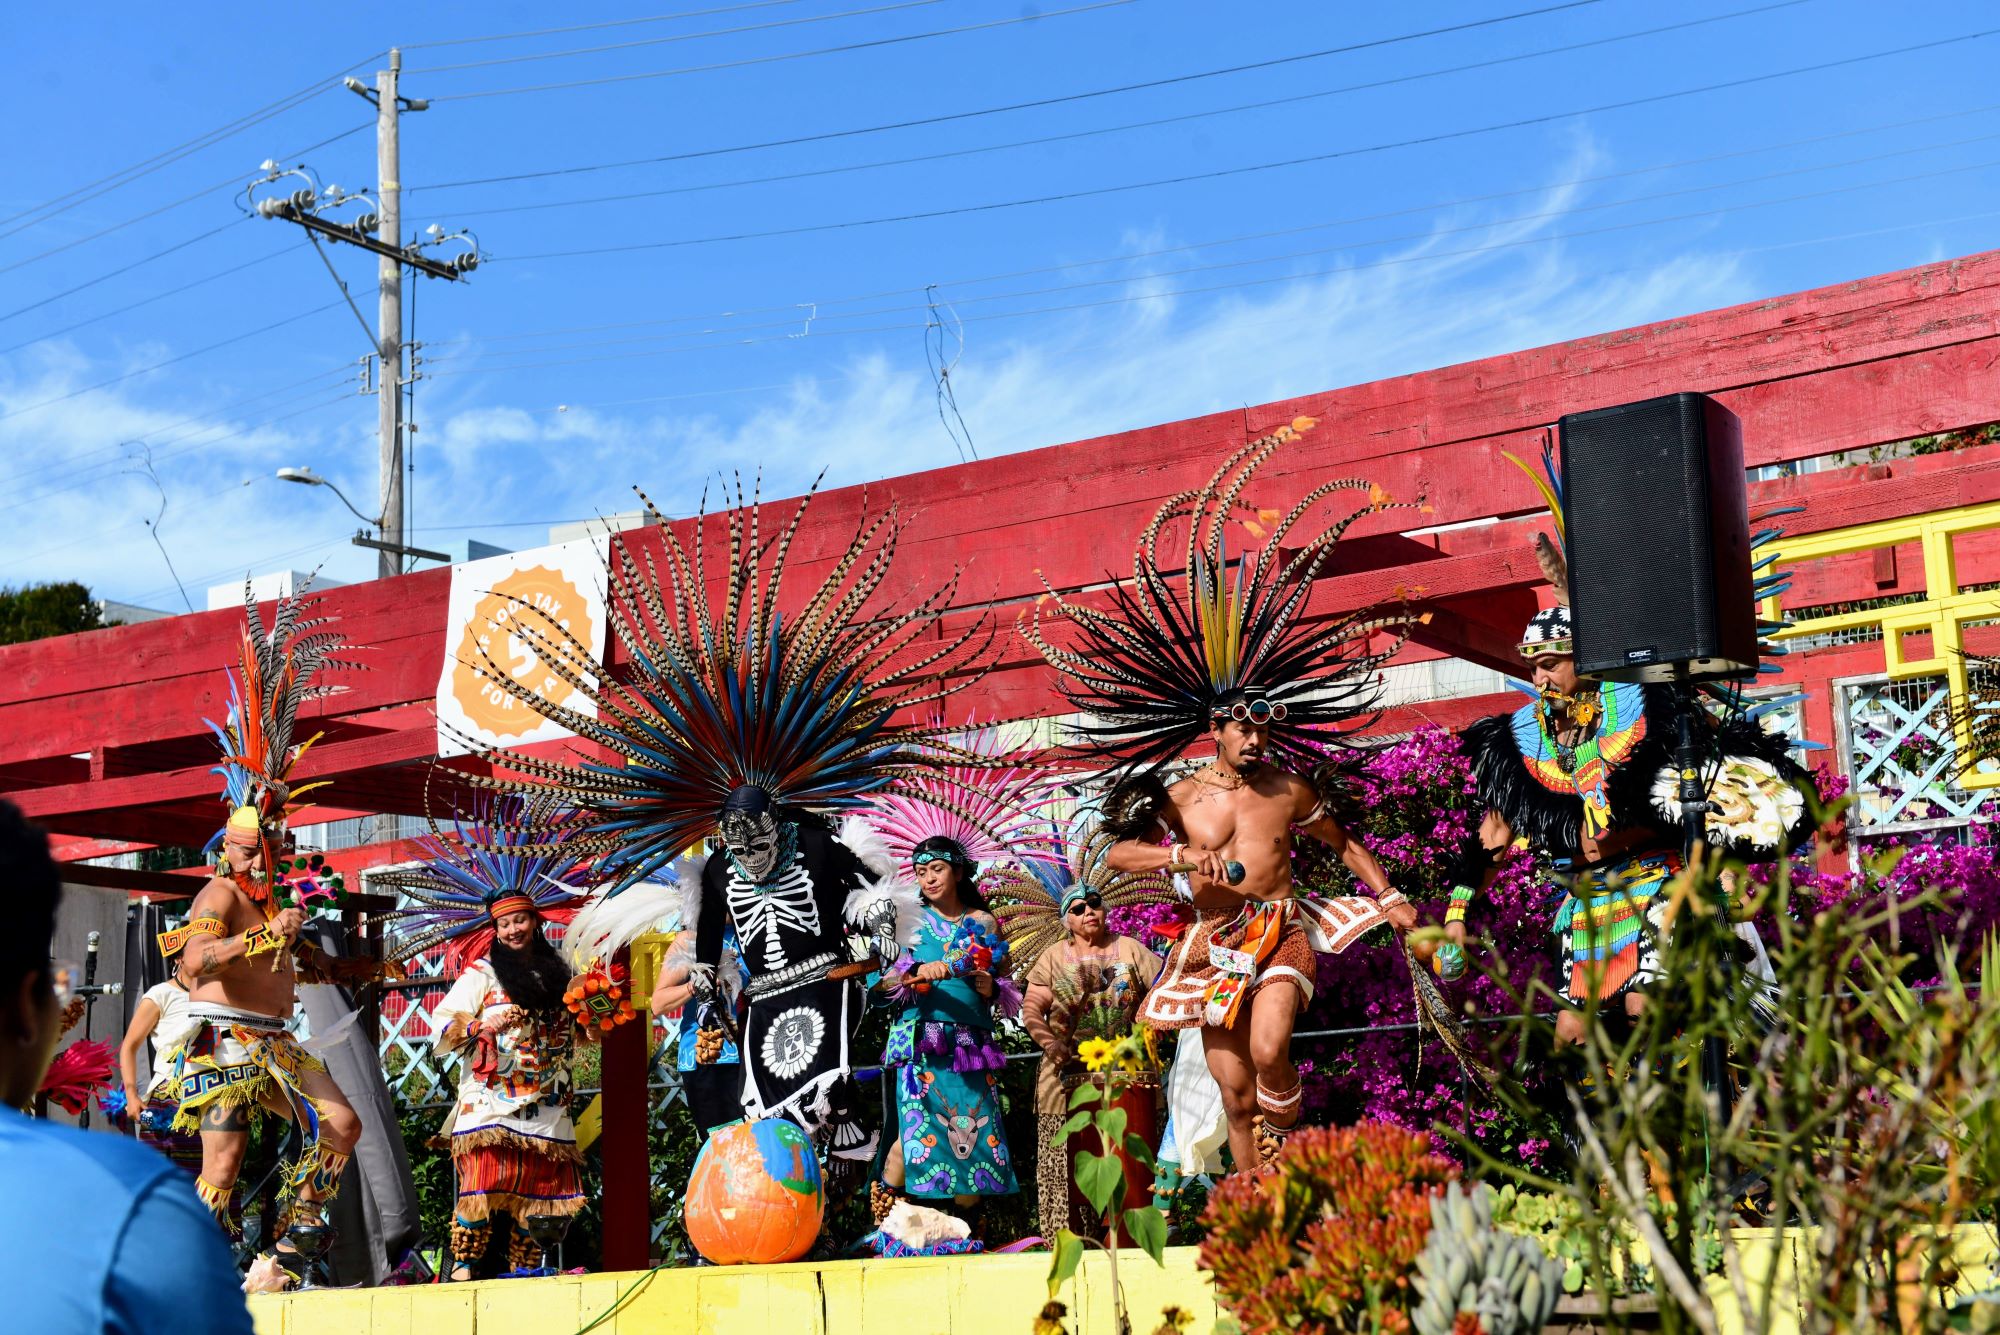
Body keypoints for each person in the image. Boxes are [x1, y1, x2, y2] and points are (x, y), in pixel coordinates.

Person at [457, 480, 988, 1169]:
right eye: (734, 844)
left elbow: (874, 889)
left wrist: (878, 924)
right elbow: (703, 949)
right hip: (759, 1014)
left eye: (756, 840)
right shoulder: (713, 872)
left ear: (778, 825)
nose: (747, 854)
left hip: (824, 989)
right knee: (767, 1139)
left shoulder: (819, 849)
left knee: (828, 1116)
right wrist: (708, 980)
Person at [1022, 421, 1421, 1172]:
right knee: (1234, 1092)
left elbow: (1346, 845)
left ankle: (1281, 1131)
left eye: (1264, 730)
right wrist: (1176, 850)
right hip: (1212, 945)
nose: (1256, 741)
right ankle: (1256, 1197)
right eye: (1243, 729)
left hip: (1282, 929)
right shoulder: (1179, 797)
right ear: (1218, 728)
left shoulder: (1288, 789)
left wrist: (1391, 895)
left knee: (1271, 1051)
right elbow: (1113, 849)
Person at [1448, 452, 1811, 1044]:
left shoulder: (1642, 708)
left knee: (1646, 1010)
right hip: (1590, 906)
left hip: (1662, 885)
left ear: (1586, 662)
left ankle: (1684, 1114)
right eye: (1533, 667)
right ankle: (1609, 1135)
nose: (1540, 679)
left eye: (1552, 664)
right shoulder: (1521, 741)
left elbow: (1699, 790)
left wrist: (1586, 601)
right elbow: (1492, 839)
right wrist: (1460, 914)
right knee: (1571, 1033)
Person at [161, 584, 381, 1266]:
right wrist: (266, 934)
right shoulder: (218, 892)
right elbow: (193, 964)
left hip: (275, 1041)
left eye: (261, 844)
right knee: (221, 1166)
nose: (251, 854)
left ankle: (291, 1240)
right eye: (241, 844)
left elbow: (286, 964)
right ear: (225, 845)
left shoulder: (273, 896)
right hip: (220, 1043)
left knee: (342, 1123)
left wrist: (349, 969)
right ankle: (188, 1266)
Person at [0, 799, 255, 1335]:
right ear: (27, 1006)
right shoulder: (129, 1197)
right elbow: (129, 1047)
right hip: (169, 1099)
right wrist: (135, 1093)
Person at [378, 799, 592, 1281]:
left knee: (541, 1196)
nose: (514, 929)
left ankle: (525, 1272)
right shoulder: (482, 973)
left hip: (548, 1101)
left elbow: (585, 1031)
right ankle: (462, 1271)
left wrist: (593, 1012)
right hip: (490, 1101)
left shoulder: (563, 973)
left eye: (520, 919)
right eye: (504, 923)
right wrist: (479, 1028)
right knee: (480, 1186)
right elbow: (443, 1022)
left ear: (535, 921)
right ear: (494, 930)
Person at [871, 835, 1018, 1222]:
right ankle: (890, 1225)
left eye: (936, 869)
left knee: (971, 1135)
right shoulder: (909, 919)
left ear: (958, 871)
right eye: (921, 872)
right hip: (921, 1040)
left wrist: (991, 986)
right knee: (912, 1134)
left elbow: (1002, 979)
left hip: (968, 1043)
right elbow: (882, 985)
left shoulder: (982, 921)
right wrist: (914, 973)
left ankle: (970, 1233)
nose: (928, 879)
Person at [1016, 880, 1163, 1238]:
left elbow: (1161, 989)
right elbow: (1032, 1008)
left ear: (1105, 909)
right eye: (1077, 909)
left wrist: (1149, 1028)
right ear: (1066, 920)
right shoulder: (1052, 957)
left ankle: (1134, 1240)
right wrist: (1051, 1043)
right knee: (1071, 1165)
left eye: (1094, 904)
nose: (1088, 912)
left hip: (1129, 1073)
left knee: (1130, 1162)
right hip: (1065, 1076)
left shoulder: (1130, 948)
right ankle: (1076, 1244)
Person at [117, 971, 201, 1176]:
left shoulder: (219, 993)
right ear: (179, 958)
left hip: (212, 1095)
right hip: (168, 1097)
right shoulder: (161, 994)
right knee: (156, 1178)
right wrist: (131, 1095)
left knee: (213, 1177)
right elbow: (129, 1046)